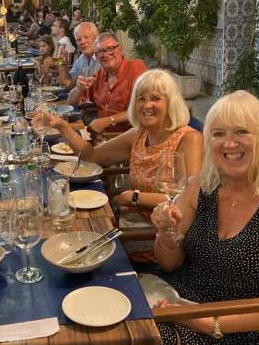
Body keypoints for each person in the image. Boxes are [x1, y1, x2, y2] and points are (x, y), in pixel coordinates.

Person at [25, 90, 259, 345]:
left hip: (242, 340)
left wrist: (209, 321)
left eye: (242, 132)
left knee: (134, 343)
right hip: (180, 300)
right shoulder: (204, 186)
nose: (229, 143)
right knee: (106, 304)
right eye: (218, 133)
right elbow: (169, 264)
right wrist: (167, 237)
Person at [37, 69, 203, 214]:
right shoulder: (139, 135)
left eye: (155, 98)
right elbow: (91, 156)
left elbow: (191, 197)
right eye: (141, 99)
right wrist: (62, 126)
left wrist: (134, 197)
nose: (147, 105)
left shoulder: (190, 139)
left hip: (163, 230)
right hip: (136, 216)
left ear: (171, 103)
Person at [68, 31, 147, 134]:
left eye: (110, 49)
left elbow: (141, 109)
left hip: (130, 136)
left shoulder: (136, 68)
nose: (105, 54)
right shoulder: (100, 74)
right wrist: (79, 88)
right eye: (100, 52)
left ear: (120, 49)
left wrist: (108, 121)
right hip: (101, 136)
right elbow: (72, 102)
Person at [58, 22, 99, 89]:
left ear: (96, 37)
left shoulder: (104, 57)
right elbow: (67, 84)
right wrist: (62, 62)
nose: (82, 42)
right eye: (78, 39)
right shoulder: (80, 60)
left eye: (86, 37)